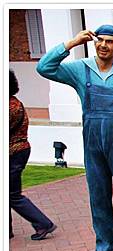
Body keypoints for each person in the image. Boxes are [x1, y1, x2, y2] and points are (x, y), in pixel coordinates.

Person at [37, 24, 113, 251]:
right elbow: (44, 67)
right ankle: (105, 246)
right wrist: (72, 43)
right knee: (97, 195)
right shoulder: (81, 70)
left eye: (109, 41)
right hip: (92, 140)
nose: (103, 45)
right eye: (100, 40)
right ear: (93, 42)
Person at [9, 69, 57, 241]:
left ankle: (43, 223)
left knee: (12, 195)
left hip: (14, 153)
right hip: (18, 151)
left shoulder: (10, 107)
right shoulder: (14, 102)